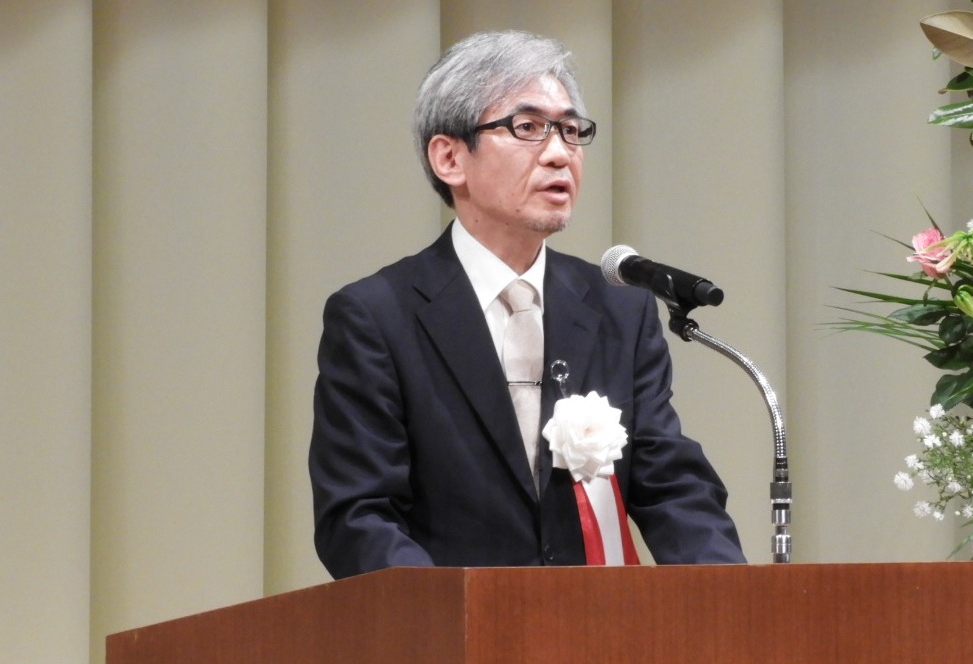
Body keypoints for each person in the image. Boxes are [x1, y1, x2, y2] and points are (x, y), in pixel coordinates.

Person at [309, 30, 745, 575]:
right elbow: (359, 517)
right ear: (449, 158)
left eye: (570, 130)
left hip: (600, 638)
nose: (561, 154)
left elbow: (672, 486)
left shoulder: (619, 310)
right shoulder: (377, 317)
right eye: (529, 128)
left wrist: (731, 597)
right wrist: (459, 625)